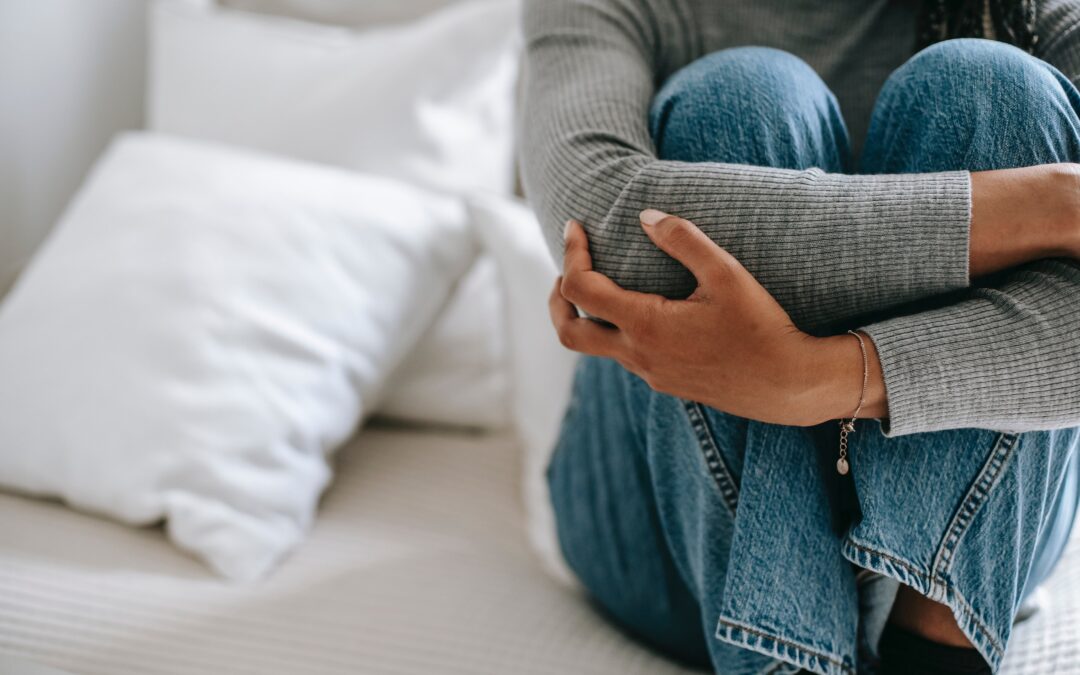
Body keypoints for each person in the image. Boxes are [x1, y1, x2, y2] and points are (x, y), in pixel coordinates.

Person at [518, 0, 1080, 673]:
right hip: (660, 528)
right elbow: (607, 235)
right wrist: (1051, 203)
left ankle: (931, 643)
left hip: (974, 543)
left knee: (995, 90)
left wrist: (820, 376)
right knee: (739, 100)